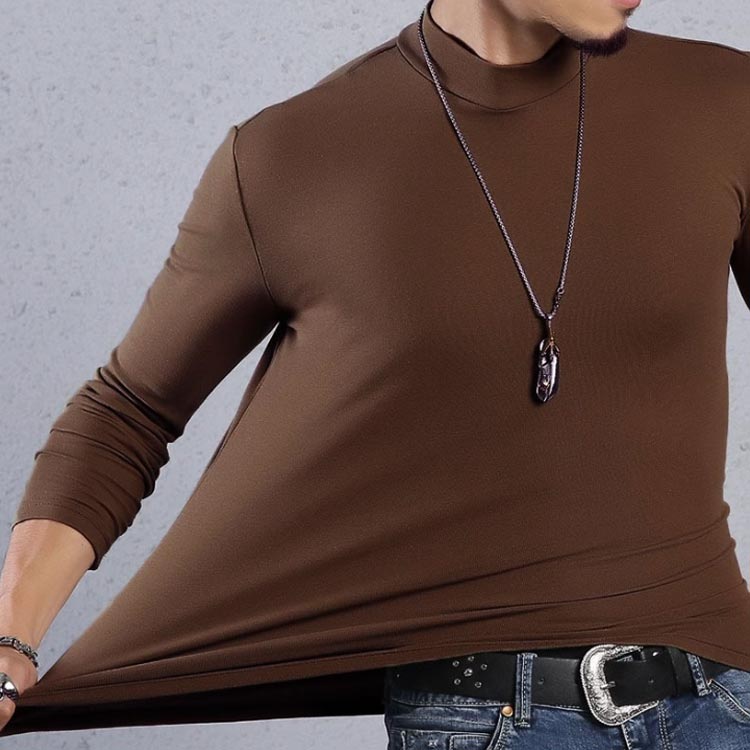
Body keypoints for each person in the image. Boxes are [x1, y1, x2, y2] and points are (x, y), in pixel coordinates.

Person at [2, 0, 750, 743]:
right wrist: (11, 639)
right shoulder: (291, 155)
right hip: (486, 720)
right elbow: (129, 410)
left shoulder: (723, 102)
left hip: (727, 697)